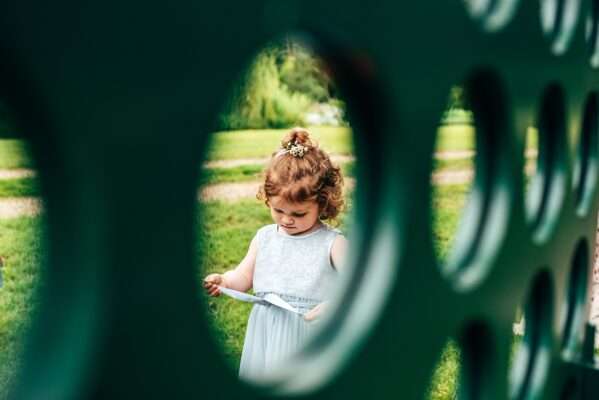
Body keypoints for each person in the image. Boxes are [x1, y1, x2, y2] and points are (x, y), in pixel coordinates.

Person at [203, 127, 348, 380]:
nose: (287, 220)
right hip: (266, 333)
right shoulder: (265, 238)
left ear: (322, 203)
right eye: (278, 210)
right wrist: (225, 281)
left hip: (309, 333)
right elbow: (243, 276)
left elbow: (360, 284)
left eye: (298, 214)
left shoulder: (332, 243)